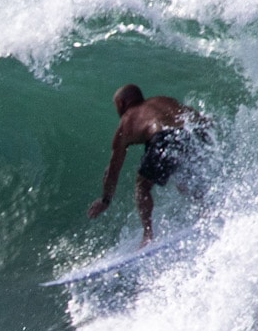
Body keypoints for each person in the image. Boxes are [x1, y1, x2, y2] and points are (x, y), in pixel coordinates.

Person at [87, 84, 205, 245]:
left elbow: (113, 169)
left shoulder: (127, 120)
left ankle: (148, 235)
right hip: (190, 134)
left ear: (122, 103)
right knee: (182, 178)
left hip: (164, 138)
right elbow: (194, 116)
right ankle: (205, 211)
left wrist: (105, 200)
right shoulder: (163, 100)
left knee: (142, 185)